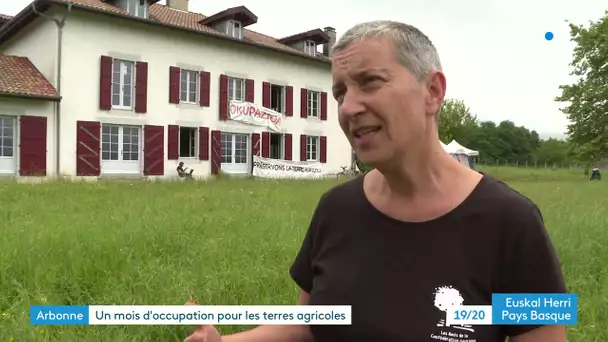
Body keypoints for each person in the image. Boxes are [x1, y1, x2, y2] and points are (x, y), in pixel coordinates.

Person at [185, 20, 567, 342]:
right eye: (340, 92)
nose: (349, 107)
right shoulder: (336, 208)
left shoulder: (514, 222)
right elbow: (309, 325)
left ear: (432, 92)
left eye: (369, 82)